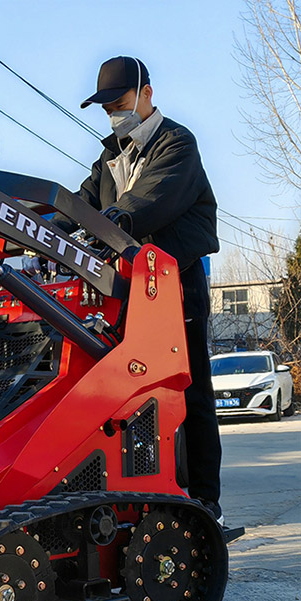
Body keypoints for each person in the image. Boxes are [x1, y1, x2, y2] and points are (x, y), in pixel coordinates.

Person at [75, 55, 223, 522]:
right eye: (107, 109)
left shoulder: (177, 144)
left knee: (189, 386)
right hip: (127, 288)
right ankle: (139, 496)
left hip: (176, 282)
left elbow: (151, 198)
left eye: (119, 103)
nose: (115, 114)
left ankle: (204, 503)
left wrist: (113, 220)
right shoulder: (110, 157)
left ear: (146, 94)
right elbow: (78, 206)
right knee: (131, 394)